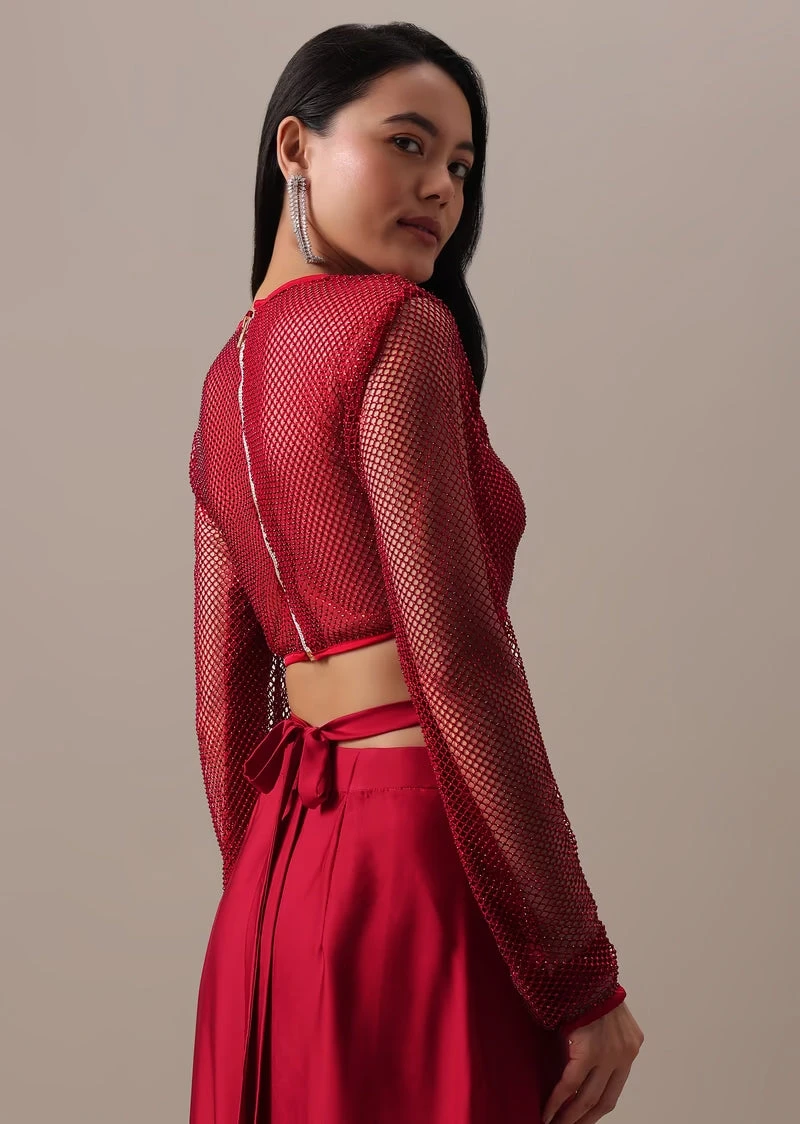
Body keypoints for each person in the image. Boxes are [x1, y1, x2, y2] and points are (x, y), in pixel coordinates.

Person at [188, 20, 644, 1124]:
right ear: (294, 147)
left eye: (459, 164)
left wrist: (270, 910)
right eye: (407, 143)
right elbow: (456, 657)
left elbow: (222, 705)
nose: (440, 186)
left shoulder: (222, 384)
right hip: (420, 858)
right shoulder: (397, 329)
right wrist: (578, 973)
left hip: (275, 881)